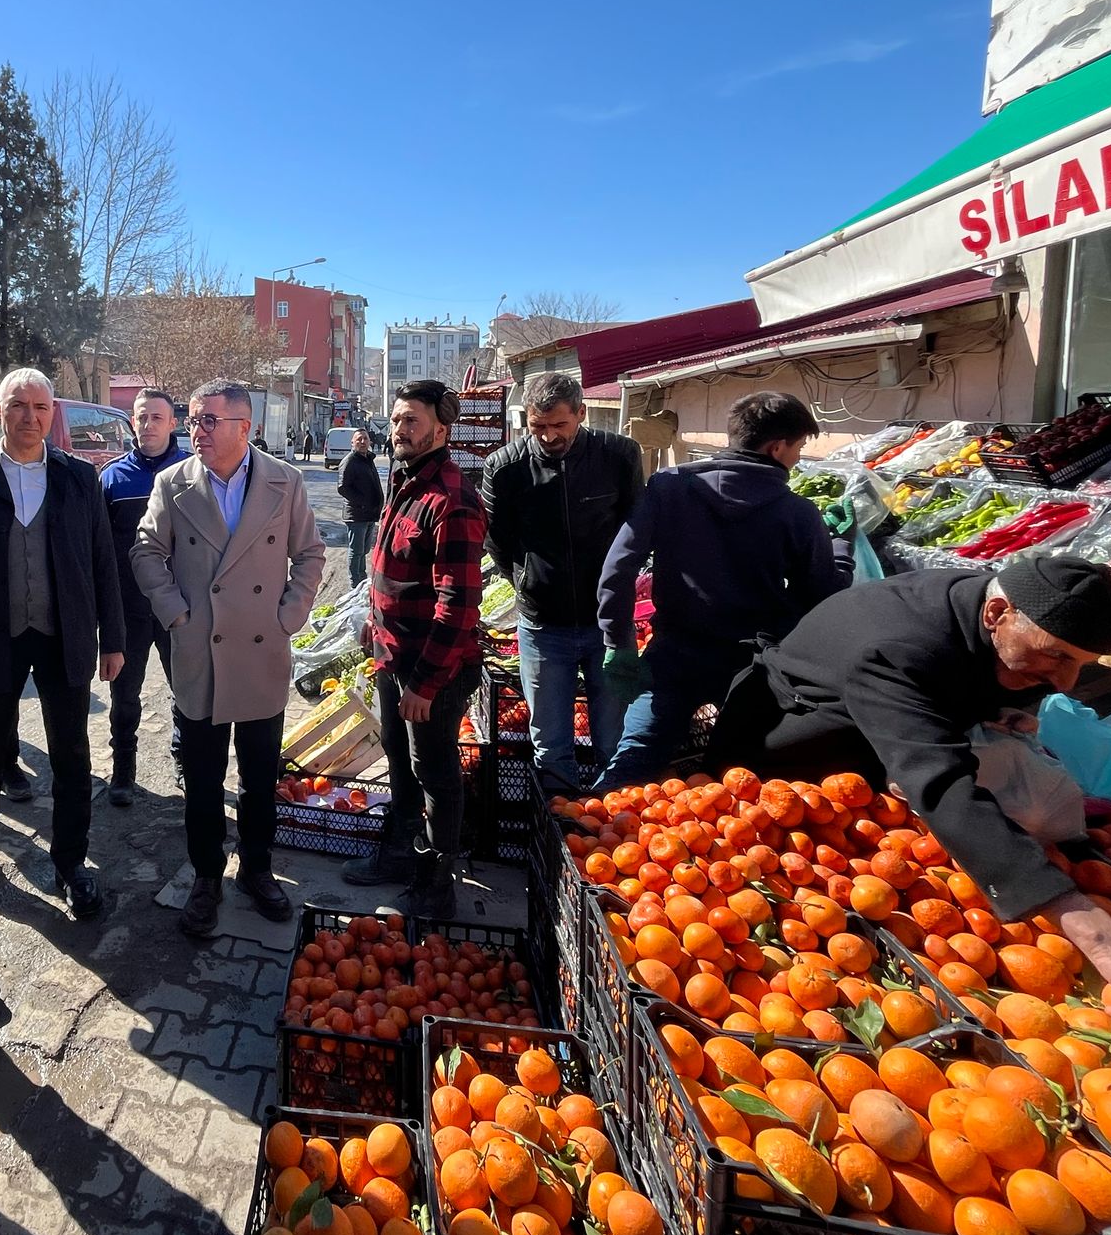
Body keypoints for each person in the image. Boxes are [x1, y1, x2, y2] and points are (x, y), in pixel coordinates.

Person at [715, 553, 1111, 1048]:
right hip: (788, 748)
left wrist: (993, 712)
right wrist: (1102, 942)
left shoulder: (986, 614)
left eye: (1082, 664)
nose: (1068, 682)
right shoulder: (899, 646)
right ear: (997, 613)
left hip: (878, 734)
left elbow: (954, 699)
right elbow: (941, 783)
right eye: (1057, 656)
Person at [133, 380, 326, 938]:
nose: (197, 430)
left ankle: (258, 869)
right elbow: (146, 550)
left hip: (262, 650)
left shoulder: (283, 481)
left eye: (209, 421)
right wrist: (175, 611)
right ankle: (207, 877)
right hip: (201, 651)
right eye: (193, 420)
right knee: (202, 777)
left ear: (246, 426)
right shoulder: (173, 483)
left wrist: (288, 615)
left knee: (261, 773)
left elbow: (311, 554)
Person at [593, 391, 845, 788]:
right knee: (740, 783)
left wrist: (618, 641)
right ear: (777, 447)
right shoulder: (798, 513)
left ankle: (587, 831)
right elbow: (819, 595)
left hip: (673, 657)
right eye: (797, 447)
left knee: (635, 759)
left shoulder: (668, 488)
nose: (797, 458)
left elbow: (617, 568)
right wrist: (843, 550)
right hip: (751, 668)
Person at [0, 369, 126, 922]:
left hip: (63, 633)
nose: (30, 416)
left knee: (71, 753)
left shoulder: (77, 479)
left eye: (41, 407)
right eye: (18, 405)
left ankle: (72, 863)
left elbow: (103, 561)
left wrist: (112, 639)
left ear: (53, 415)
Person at [340, 380, 485, 919]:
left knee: (435, 774)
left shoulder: (453, 501)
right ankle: (400, 855)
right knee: (400, 763)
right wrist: (373, 626)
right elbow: (388, 567)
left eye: (412, 422)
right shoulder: (403, 481)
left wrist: (424, 684)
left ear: (441, 431)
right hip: (391, 654)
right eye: (397, 419)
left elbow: (458, 606)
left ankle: (436, 884)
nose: (399, 429)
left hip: (432, 670)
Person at [480, 370, 644, 797]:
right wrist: (527, 582)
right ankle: (562, 834)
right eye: (538, 427)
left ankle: (615, 828)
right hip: (542, 628)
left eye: (559, 426)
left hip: (609, 626)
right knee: (550, 744)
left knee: (614, 740)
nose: (549, 436)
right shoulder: (505, 467)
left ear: (581, 414)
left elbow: (636, 531)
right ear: (525, 421)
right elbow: (497, 540)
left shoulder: (619, 455)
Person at [98, 388, 191, 806]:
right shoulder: (112, 479)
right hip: (127, 610)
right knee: (124, 697)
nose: (148, 425)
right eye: (141, 417)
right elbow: (98, 550)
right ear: (131, 421)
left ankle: (184, 759)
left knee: (187, 692)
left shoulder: (193, 473)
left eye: (157, 417)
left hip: (179, 609)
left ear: (173, 423)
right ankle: (123, 770)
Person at [337, 428, 384, 588]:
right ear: (352, 442)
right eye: (359, 439)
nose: (363, 442)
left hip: (369, 514)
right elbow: (343, 487)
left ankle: (362, 579)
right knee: (356, 551)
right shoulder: (350, 461)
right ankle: (354, 583)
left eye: (365, 439)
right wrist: (362, 503)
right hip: (356, 515)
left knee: (363, 550)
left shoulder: (367, 459)